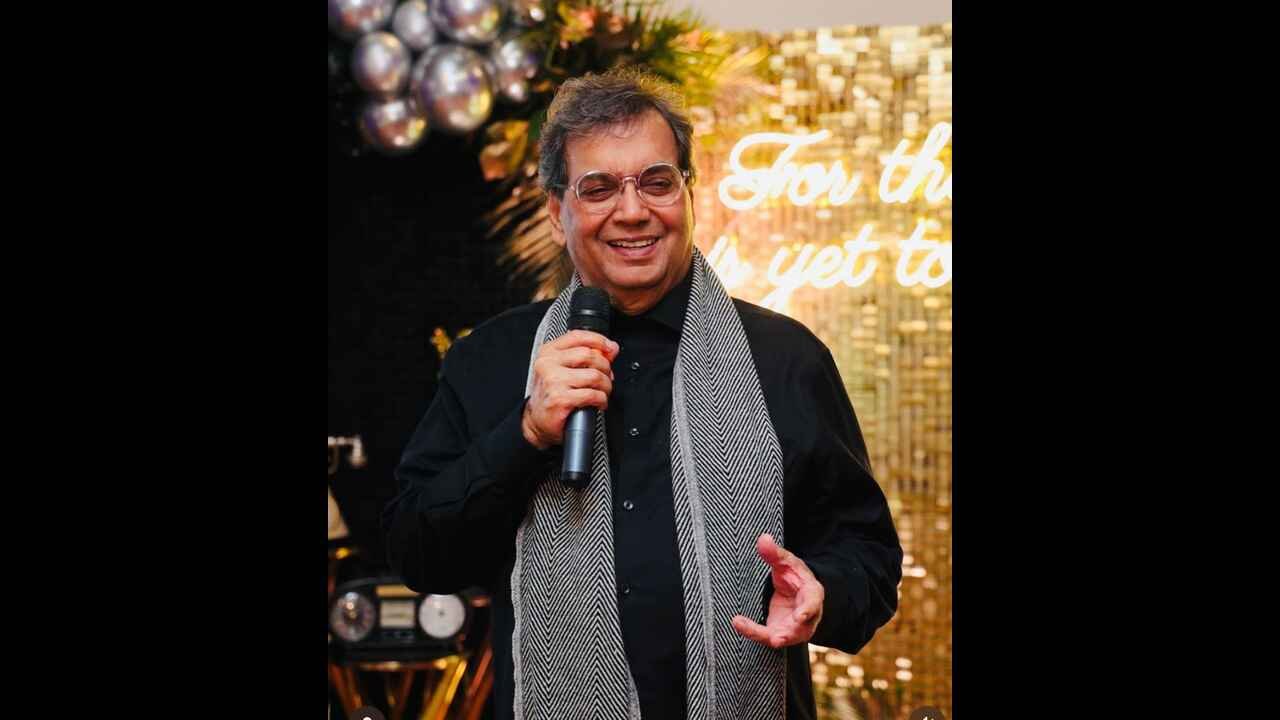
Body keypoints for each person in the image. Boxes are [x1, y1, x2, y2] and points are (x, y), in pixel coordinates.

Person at [383, 68, 901, 720]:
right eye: (599, 188)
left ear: (689, 194)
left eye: (656, 182)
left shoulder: (785, 359)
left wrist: (823, 592)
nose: (632, 211)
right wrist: (526, 434)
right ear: (556, 214)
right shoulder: (490, 361)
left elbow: (868, 558)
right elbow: (417, 553)